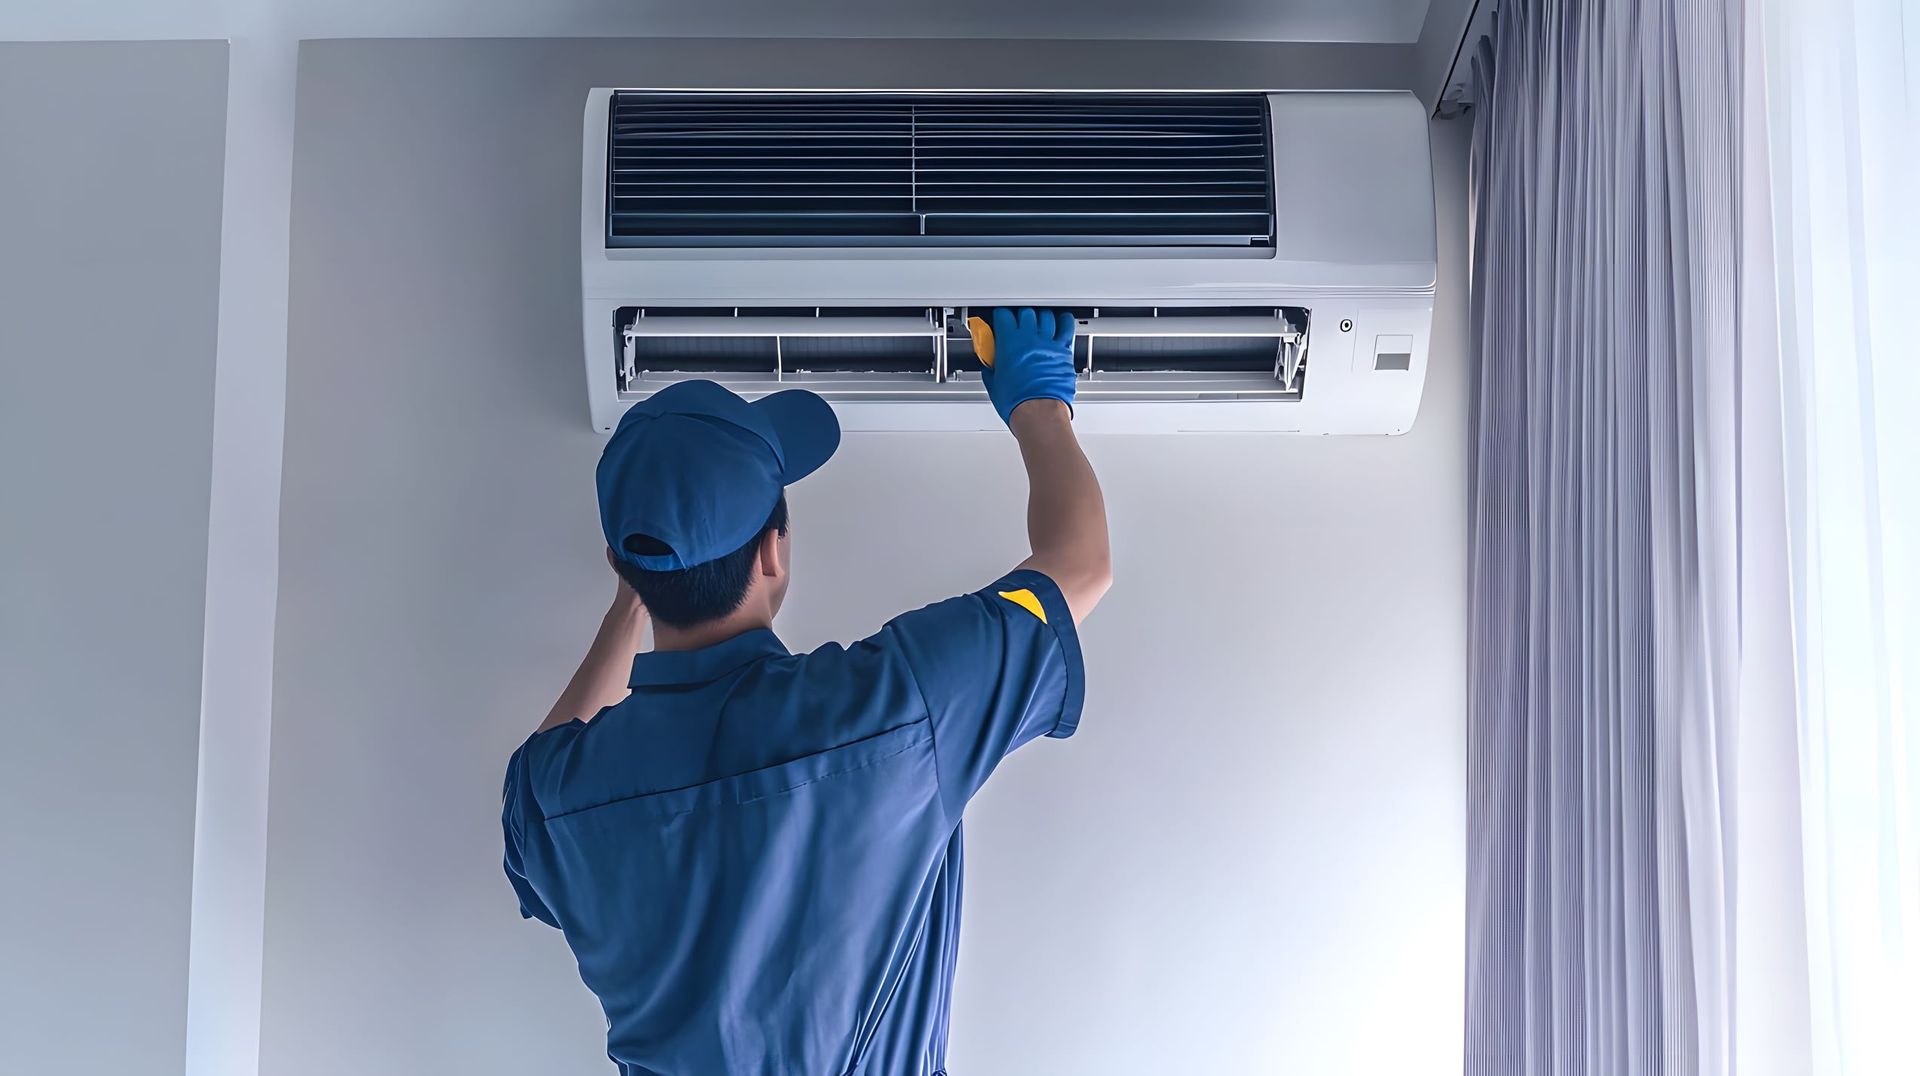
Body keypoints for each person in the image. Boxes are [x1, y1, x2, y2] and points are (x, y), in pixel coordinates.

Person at [501, 308, 1109, 1076]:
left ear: (623, 567)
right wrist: (1036, 400)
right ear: (773, 552)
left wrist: (643, 593)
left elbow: (547, 761)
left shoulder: (559, 798)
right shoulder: (892, 706)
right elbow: (1079, 566)